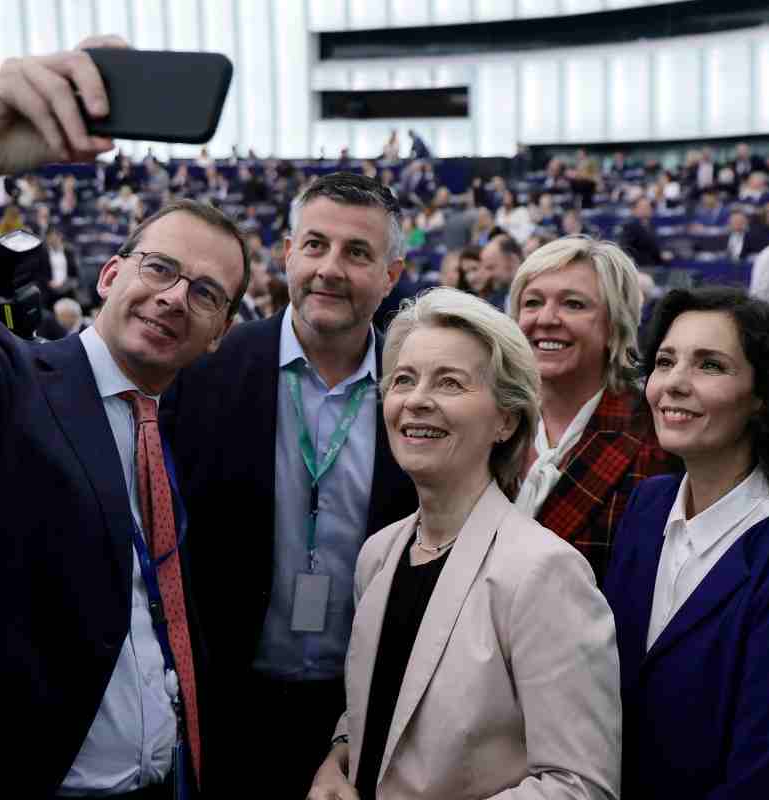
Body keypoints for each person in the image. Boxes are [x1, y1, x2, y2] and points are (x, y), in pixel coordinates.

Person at [0, 37, 248, 797]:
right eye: (159, 268)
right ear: (112, 272)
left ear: (221, 331)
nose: (173, 297)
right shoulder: (10, 376)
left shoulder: (190, 425)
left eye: (205, 292)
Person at [160, 172, 418, 800]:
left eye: (358, 253)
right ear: (286, 254)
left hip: (360, 715)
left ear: (391, 275)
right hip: (223, 701)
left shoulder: (418, 390)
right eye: (315, 245)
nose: (330, 268)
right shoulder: (205, 370)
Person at [308, 287, 621, 800]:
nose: (416, 400)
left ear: (506, 419)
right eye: (404, 380)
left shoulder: (544, 571)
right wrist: (338, 759)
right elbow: (385, 706)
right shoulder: (379, 555)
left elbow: (580, 785)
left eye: (449, 382)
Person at [602, 288, 769, 800]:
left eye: (710, 365)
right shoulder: (646, 507)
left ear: (764, 396)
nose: (673, 383)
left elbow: (762, 784)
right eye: (666, 361)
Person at [508, 237, 677, 583]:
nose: (546, 318)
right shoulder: (490, 419)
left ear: (615, 326)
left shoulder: (656, 438)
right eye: (532, 302)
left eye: (573, 304)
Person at [617, 197, 665, 267]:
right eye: (643, 207)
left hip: (653, 266)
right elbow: (624, 247)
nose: (647, 209)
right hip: (639, 267)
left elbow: (654, 247)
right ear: (634, 209)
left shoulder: (651, 226)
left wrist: (661, 255)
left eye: (649, 207)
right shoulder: (630, 226)